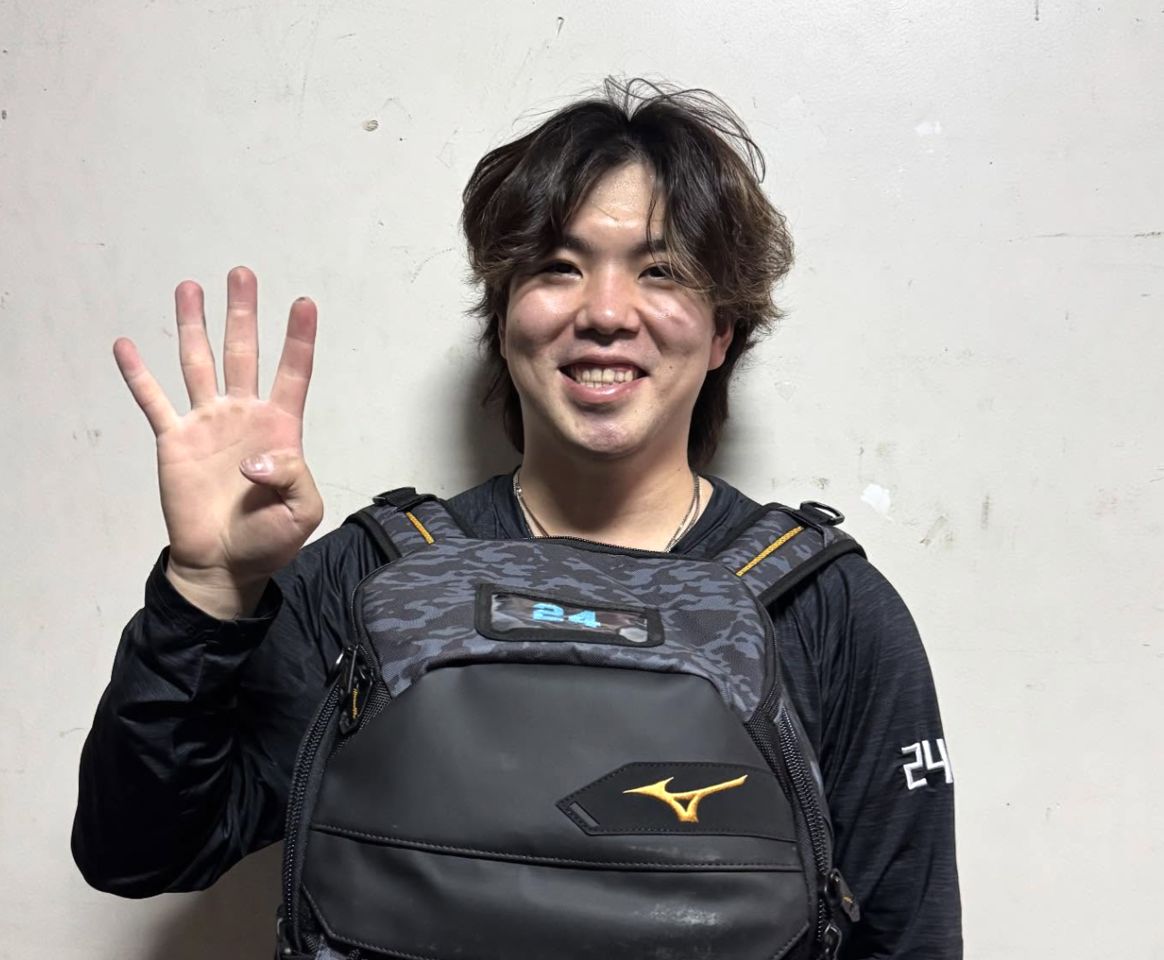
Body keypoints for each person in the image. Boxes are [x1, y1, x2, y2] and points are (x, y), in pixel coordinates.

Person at [72, 79, 962, 958]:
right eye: (558, 268)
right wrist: (207, 591)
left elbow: (907, 938)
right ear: (503, 315)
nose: (605, 313)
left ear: (722, 329)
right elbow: (140, 852)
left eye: (661, 271)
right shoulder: (370, 578)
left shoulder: (829, 608)